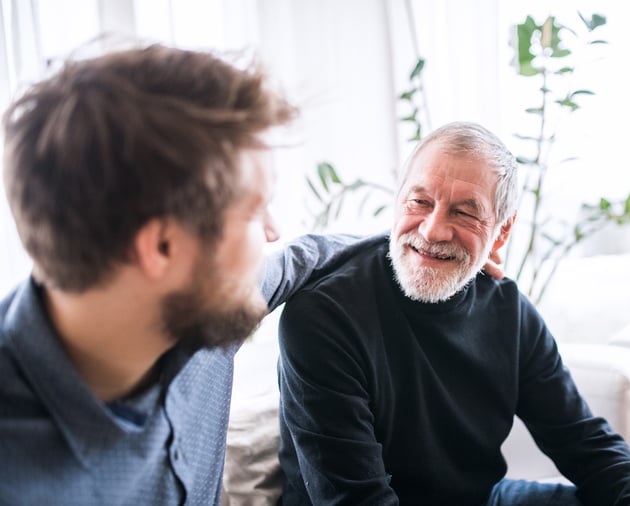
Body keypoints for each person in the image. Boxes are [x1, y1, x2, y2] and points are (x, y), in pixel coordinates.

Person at [0, 43, 377, 505]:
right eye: (254, 209)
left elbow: (305, 256)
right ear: (161, 247)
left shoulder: (190, 295)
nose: (273, 231)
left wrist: (433, 243)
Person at [277, 121, 630, 505]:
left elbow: (586, 445)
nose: (433, 230)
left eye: (464, 212)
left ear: (501, 231)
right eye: (420, 201)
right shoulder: (323, 316)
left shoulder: (508, 311)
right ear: (399, 201)